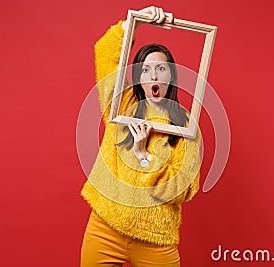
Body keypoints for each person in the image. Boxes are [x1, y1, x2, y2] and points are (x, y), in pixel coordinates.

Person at [80, 6, 202, 267]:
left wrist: (144, 157)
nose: (154, 75)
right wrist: (135, 23)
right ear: (138, 76)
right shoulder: (121, 104)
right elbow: (105, 54)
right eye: (146, 70)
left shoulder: (185, 125)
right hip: (105, 229)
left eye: (161, 68)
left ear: (171, 76)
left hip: (156, 240)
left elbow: (184, 189)